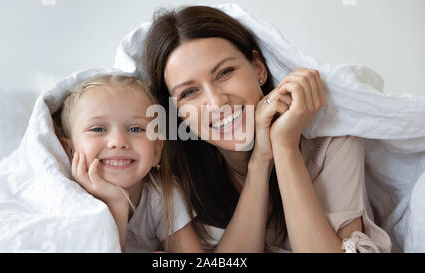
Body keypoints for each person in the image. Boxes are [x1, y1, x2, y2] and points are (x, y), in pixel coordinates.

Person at [143, 6, 391, 252]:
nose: (216, 102)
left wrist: (284, 145)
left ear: (259, 69)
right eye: (189, 92)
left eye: (224, 72)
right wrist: (260, 162)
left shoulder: (333, 139)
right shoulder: (171, 176)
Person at [52, 74, 203, 252]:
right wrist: (117, 204)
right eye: (98, 129)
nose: (118, 141)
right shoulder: (67, 202)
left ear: (156, 151)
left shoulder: (162, 194)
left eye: (135, 128)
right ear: (69, 152)